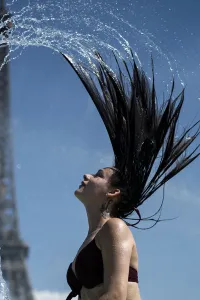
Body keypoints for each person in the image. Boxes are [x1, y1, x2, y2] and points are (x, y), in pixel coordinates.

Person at [62, 52, 200, 300]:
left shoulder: (115, 228)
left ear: (113, 192)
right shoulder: (93, 236)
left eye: (98, 175)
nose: (86, 175)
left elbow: (116, 296)